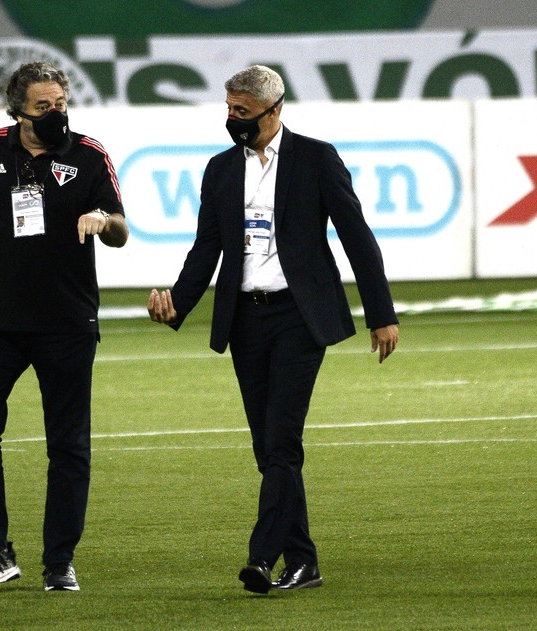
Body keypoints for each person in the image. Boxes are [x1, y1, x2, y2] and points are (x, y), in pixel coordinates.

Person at [147, 65, 398, 594]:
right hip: (245, 319)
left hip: (299, 318)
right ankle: (304, 561)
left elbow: (357, 236)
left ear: (274, 108)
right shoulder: (219, 170)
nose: (232, 120)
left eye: (242, 112)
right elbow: (206, 248)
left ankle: (261, 557)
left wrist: (382, 314)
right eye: (229, 110)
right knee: (269, 448)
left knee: (282, 440)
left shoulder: (316, 158)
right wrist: (178, 305)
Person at [0, 61, 128, 592]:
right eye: (43, 107)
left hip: (66, 322)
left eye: (61, 104)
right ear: (17, 109)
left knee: (68, 445)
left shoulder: (90, 156)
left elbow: (121, 230)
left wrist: (102, 220)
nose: (54, 114)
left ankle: (59, 560)